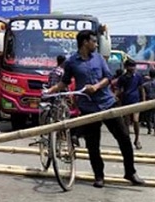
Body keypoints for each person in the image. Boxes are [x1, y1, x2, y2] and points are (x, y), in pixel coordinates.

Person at [44, 30, 144, 188]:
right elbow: (64, 82)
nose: (96, 44)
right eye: (94, 41)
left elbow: (108, 77)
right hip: (88, 108)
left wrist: (96, 87)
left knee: (124, 138)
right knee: (93, 144)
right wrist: (50, 90)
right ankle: (99, 176)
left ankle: (130, 172)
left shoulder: (98, 58)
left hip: (107, 104)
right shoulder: (71, 62)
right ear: (85, 42)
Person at [115, 60, 145, 149]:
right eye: (130, 66)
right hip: (125, 101)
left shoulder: (138, 77)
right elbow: (119, 89)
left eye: (133, 66)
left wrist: (143, 101)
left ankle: (137, 139)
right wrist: (115, 96)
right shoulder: (122, 78)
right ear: (126, 67)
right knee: (126, 122)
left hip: (136, 101)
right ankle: (127, 140)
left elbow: (141, 88)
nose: (132, 68)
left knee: (136, 121)